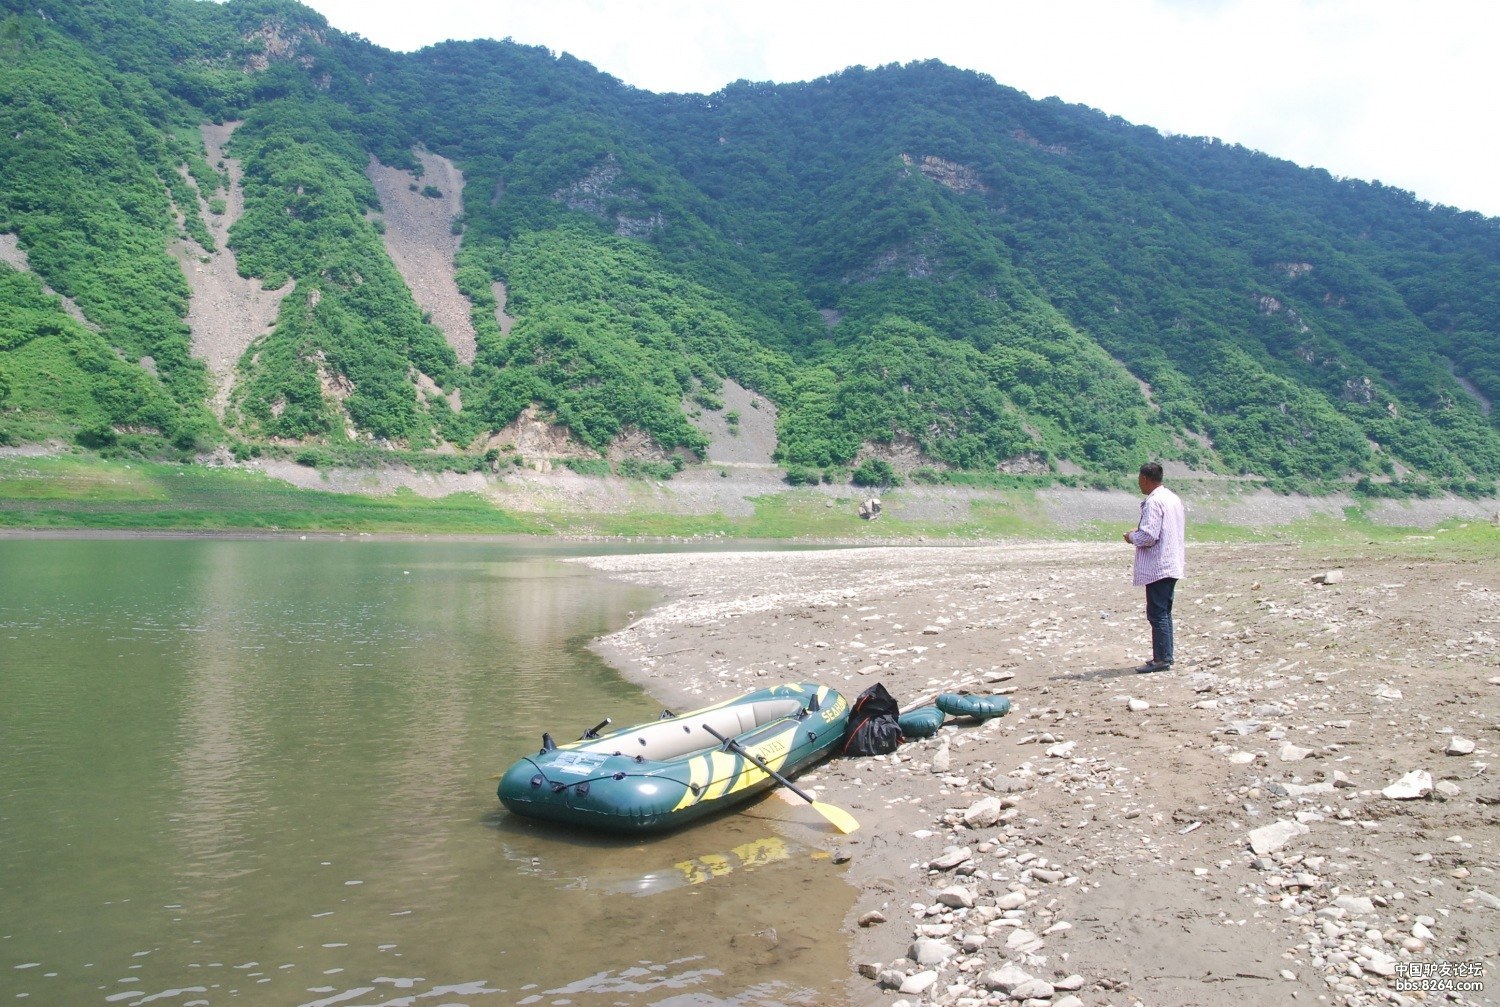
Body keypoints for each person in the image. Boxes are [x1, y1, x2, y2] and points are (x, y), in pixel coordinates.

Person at [1122, 462, 1185, 673]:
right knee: (1164, 612)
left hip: (1159, 565)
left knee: (1157, 613)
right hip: (1172, 561)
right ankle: (1165, 655)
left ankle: (1162, 659)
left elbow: (1149, 536)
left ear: (1146, 479)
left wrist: (1131, 536)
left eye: (1140, 479)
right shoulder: (1172, 498)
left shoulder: (1154, 502)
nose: (1139, 484)